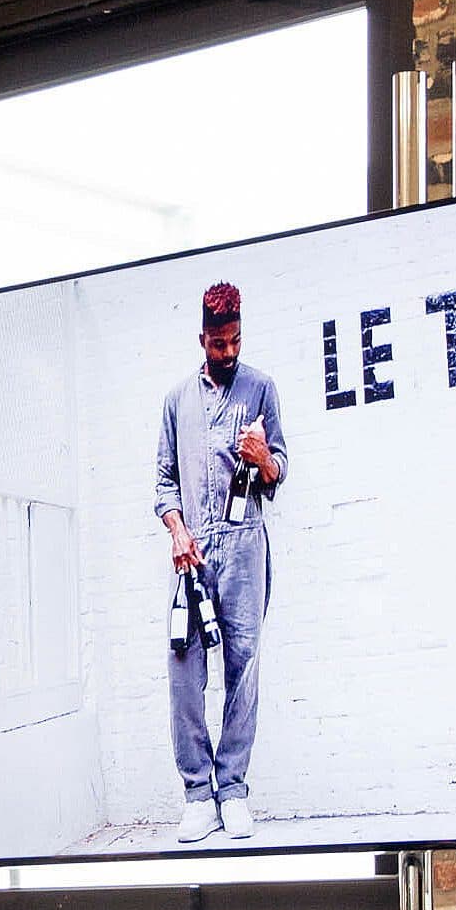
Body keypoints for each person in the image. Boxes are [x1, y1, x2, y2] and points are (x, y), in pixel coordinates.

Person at [154, 280, 288, 844]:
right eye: (218, 343)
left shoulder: (261, 389)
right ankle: (196, 795)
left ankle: (232, 790)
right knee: (185, 670)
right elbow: (163, 483)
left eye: (235, 341)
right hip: (191, 550)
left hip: (244, 542)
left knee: (244, 666)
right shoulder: (176, 401)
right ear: (201, 338)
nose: (228, 352)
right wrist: (178, 530)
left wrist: (264, 460)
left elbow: (280, 469)